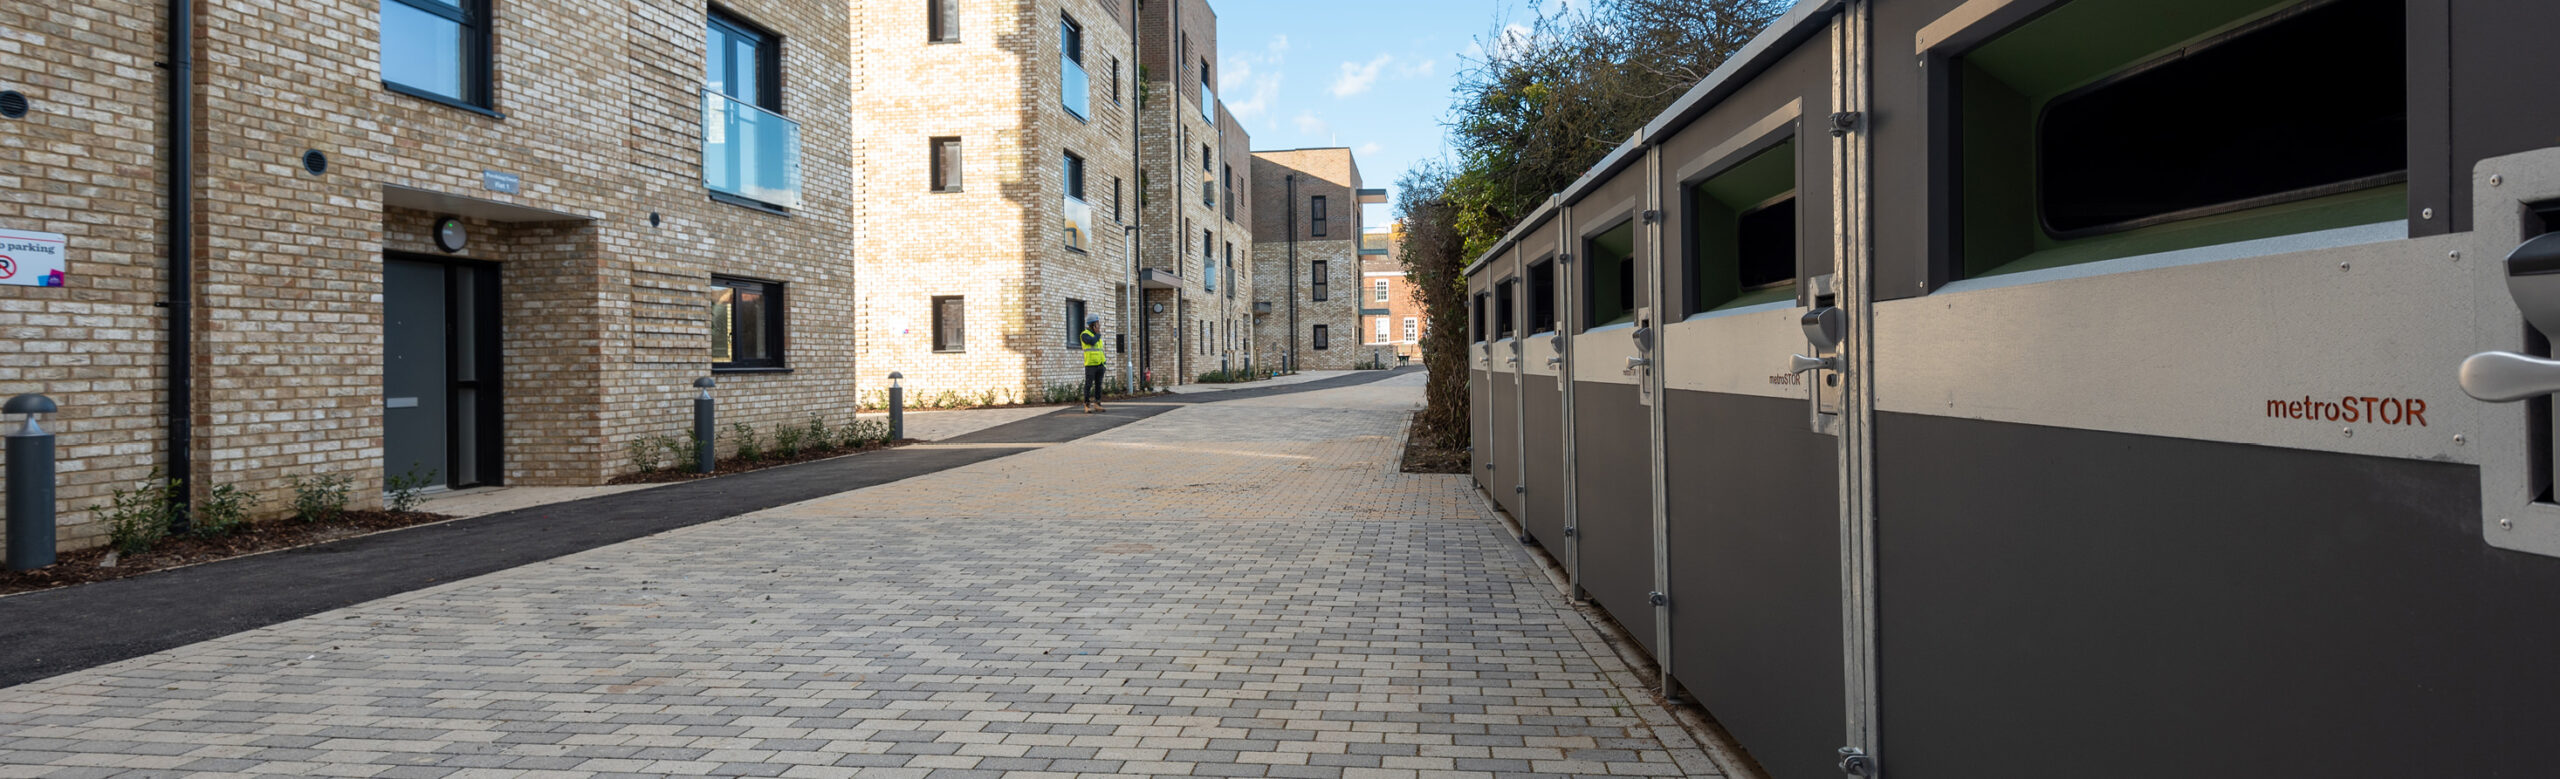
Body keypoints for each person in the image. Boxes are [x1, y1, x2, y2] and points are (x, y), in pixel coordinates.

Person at [1080, 313, 1108, 413]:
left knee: (1098, 385)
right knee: (1088, 385)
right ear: (1092, 325)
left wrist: (1104, 363)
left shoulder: (1097, 335)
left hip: (1100, 364)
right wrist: (1097, 334)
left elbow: (1099, 350)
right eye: (1097, 323)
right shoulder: (1085, 334)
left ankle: (1097, 403)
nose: (1099, 325)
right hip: (1090, 364)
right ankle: (1087, 404)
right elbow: (1091, 342)